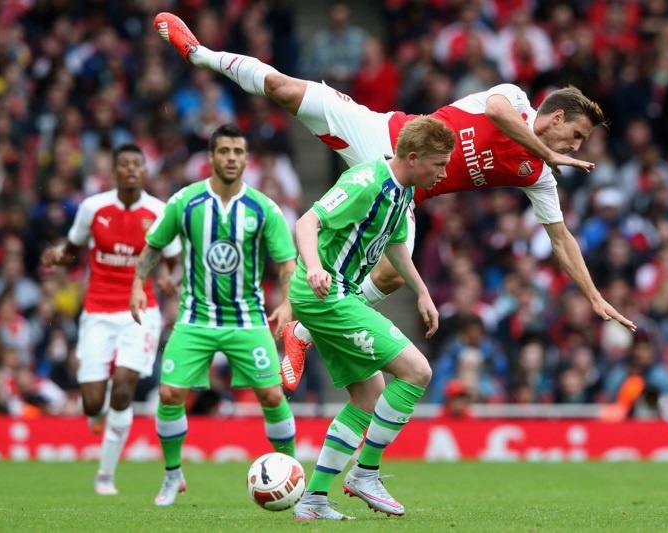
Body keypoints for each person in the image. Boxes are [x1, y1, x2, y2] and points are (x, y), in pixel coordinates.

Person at [153, 13, 637, 392]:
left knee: (389, 273)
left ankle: (301, 334)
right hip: (380, 132)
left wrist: (594, 296)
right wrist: (550, 151)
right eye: (573, 136)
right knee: (282, 87)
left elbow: (561, 237)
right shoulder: (510, 97)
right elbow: (494, 113)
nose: (574, 148)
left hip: (400, 190)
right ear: (553, 117)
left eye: (577, 144)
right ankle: (200, 53)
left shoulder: (539, 176)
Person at [289, 116, 456, 520]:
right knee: (417, 371)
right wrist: (313, 266)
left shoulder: (403, 192)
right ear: (413, 157)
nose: (445, 172)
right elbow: (306, 221)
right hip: (326, 295)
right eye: (439, 164)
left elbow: (397, 246)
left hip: (341, 296)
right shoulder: (366, 182)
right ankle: (365, 473)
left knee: (367, 397)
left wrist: (423, 292)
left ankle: (312, 501)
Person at [129, 123, 298, 506]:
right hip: (195, 317)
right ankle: (173, 477)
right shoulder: (185, 202)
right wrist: (138, 284)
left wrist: (287, 303)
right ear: (211, 157)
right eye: (224, 151)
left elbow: (287, 264)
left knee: (272, 396)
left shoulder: (262, 207)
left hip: (248, 319)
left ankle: (289, 471)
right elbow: (153, 246)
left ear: (246, 158)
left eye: (239, 152)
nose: (232, 158)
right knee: (170, 393)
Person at [40, 143, 181, 495]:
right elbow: (73, 249)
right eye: (125, 164)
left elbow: (175, 262)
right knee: (91, 403)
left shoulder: (160, 211)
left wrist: (170, 282)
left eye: (138, 163)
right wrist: (58, 256)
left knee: (123, 388)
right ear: (114, 172)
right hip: (98, 311)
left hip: (140, 311)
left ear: (145, 172)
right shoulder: (93, 207)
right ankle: (99, 414)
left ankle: (105, 474)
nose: (132, 169)